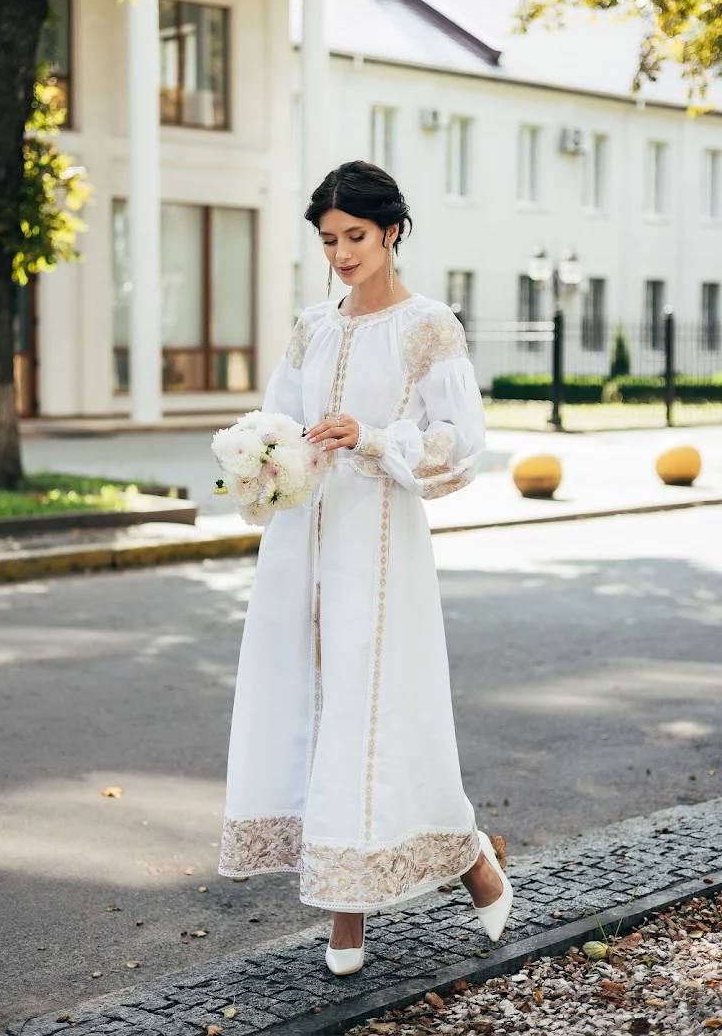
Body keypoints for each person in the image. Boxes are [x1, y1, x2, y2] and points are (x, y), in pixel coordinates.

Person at [217, 160, 513, 975]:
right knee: (311, 706)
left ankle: (350, 913)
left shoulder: (429, 326)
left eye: (355, 236)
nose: (342, 253)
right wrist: (256, 464)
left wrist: (376, 440)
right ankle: (466, 856)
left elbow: (463, 446)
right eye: (328, 240)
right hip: (301, 542)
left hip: (380, 544)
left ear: (391, 232)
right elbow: (277, 415)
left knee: (369, 712)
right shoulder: (312, 324)